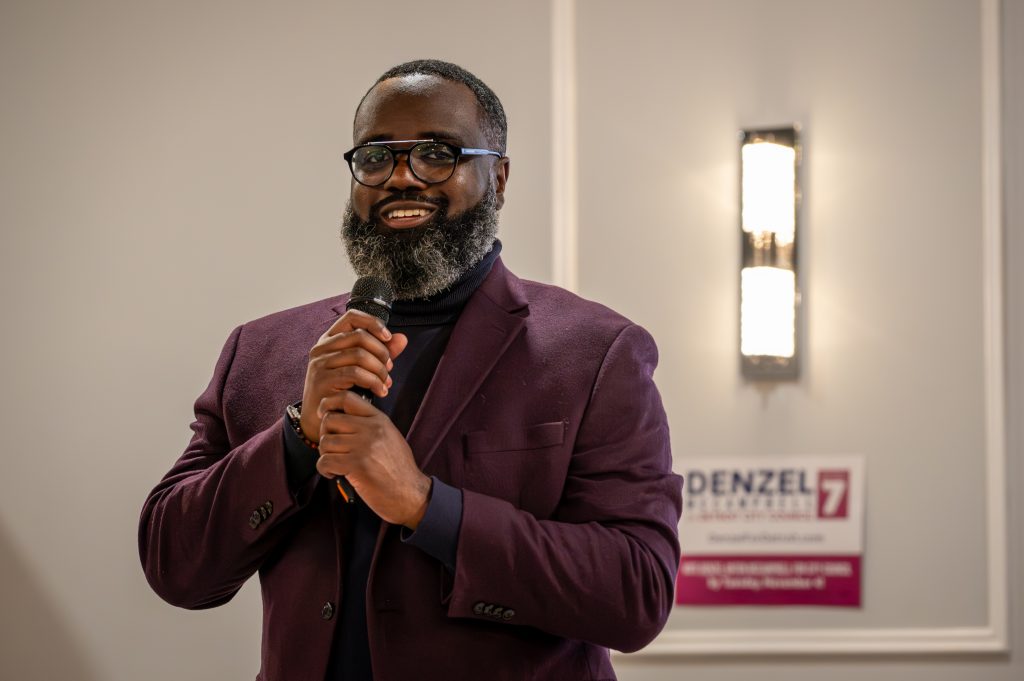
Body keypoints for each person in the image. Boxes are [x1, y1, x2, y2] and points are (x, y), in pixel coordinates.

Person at [139, 59, 682, 681]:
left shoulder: (596, 351)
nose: (401, 177)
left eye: (436, 153)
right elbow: (173, 566)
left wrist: (428, 507)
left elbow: (636, 594)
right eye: (375, 157)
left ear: (498, 178)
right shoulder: (260, 353)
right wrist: (296, 437)